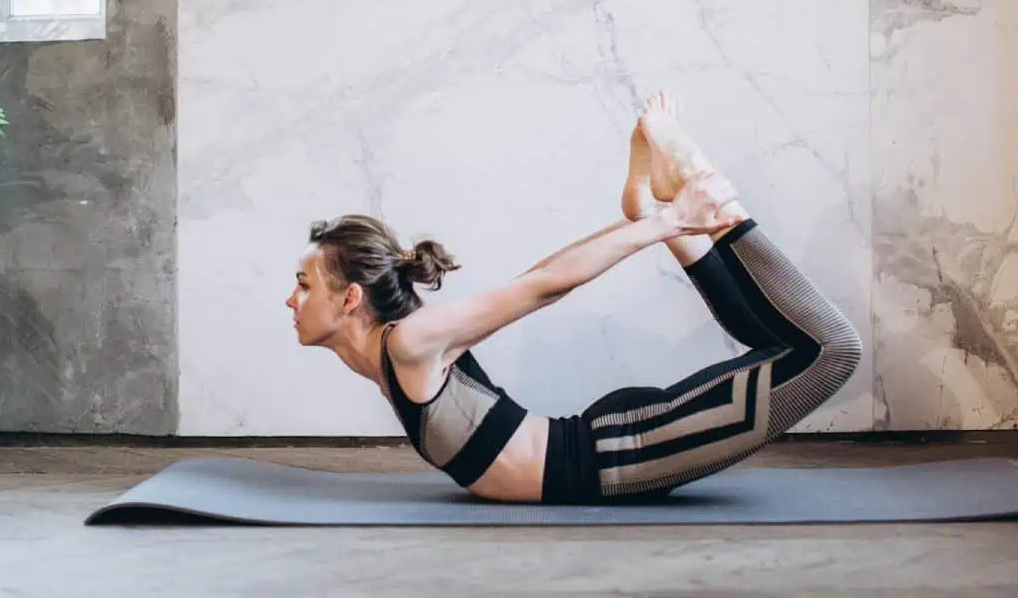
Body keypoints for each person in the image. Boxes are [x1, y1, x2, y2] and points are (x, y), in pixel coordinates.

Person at [286, 92, 862, 504]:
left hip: (626, 453)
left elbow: (544, 284)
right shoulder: (385, 349)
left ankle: (711, 199)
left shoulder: (409, 342)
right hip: (613, 447)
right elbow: (539, 277)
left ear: (350, 299)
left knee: (833, 352)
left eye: (304, 283)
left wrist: (672, 223)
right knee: (777, 343)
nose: (291, 300)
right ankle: (671, 214)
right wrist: (650, 224)